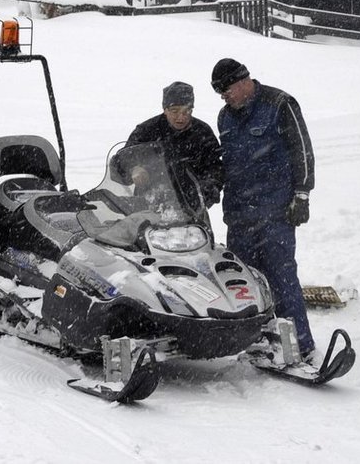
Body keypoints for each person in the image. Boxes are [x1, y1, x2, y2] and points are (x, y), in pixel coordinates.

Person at [211, 58, 316, 359]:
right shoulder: (225, 117)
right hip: (240, 214)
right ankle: (254, 341)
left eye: (227, 90)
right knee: (244, 282)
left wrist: (303, 194)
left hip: (276, 212)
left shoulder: (279, 104)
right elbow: (227, 162)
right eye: (220, 93)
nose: (224, 97)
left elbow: (302, 150)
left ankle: (301, 345)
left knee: (281, 277)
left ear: (243, 81)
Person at [126, 81, 223, 217]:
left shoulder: (202, 132)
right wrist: (133, 168)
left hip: (192, 206)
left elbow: (215, 167)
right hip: (149, 205)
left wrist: (208, 188)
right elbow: (122, 160)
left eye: (186, 111)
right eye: (174, 111)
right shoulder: (146, 131)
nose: (180, 117)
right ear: (165, 110)